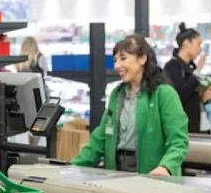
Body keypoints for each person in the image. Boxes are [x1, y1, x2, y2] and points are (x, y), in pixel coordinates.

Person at [72, 34, 189, 176]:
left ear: (142, 59)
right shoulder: (117, 94)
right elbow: (100, 138)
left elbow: (178, 141)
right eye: (115, 60)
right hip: (116, 171)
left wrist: (166, 166)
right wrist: (73, 166)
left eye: (123, 58)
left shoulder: (164, 94)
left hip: (153, 175)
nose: (117, 66)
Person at [164, 23, 211, 134]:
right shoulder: (173, 66)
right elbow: (179, 95)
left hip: (198, 124)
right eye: (198, 44)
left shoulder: (190, 67)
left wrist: (205, 98)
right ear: (186, 43)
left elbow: (192, 96)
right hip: (183, 129)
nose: (200, 49)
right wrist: (198, 72)